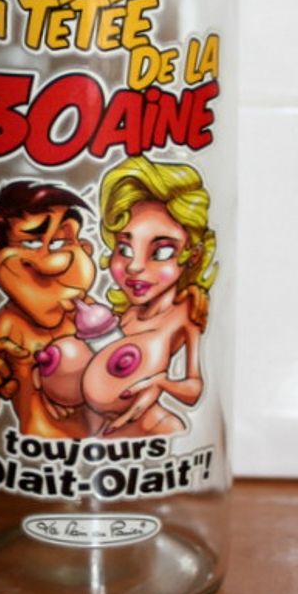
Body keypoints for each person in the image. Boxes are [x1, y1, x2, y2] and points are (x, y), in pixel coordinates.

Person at [83, 155, 216, 436]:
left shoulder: (185, 311)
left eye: (161, 251)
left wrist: (159, 383)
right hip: (101, 436)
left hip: (155, 430)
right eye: (124, 249)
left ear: (193, 255)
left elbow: (194, 390)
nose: (134, 266)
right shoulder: (127, 314)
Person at [0, 180, 96, 437]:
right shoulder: (10, 325)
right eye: (32, 244)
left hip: (107, 448)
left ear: (85, 249)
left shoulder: (89, 315)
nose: (54, 263)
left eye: (61, 243)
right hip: (33, 449)